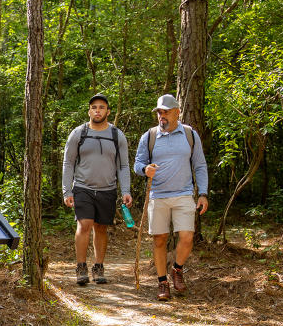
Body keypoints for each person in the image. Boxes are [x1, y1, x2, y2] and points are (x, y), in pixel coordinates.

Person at [133, 94, 209, 301]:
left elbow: (200, 165)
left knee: (186, 236)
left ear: (177, 113)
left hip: (184, 194)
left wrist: (203, 193)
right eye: (159, 112)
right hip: (157, 195)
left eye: (166, 112)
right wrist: (144, 169)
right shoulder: (149, 136)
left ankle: (177, 269)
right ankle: (162, 282)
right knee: (159, 240)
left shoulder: (189, 134)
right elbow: (138, 163)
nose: (161, 116)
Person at [62, 93, 132, 285]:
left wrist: (126, 190)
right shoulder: (79, 133)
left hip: (107, 189)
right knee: (84, 225)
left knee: (101, 228)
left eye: (101, 107)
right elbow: (68, 163)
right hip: (83, 187)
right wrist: (67, 191)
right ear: (89, 111)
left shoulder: (117, 135)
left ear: (108, 111)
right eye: (94, 107)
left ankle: (98, 267)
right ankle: (81, 267)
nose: (97, 110)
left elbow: (123, 166)